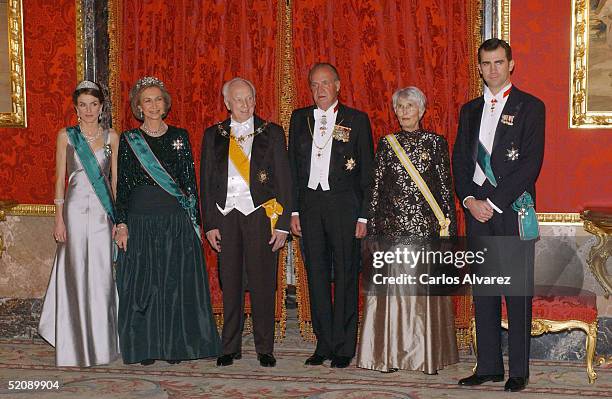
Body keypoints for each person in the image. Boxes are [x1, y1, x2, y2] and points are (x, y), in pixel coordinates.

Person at [453, 39, 545, 392]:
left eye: (498, 63)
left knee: (516, 293)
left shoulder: (531, 107)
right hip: (476, 210)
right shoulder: (469, 110)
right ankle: (488, 365)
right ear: (479, 67)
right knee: (485, 291)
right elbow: (460, 160)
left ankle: (518, 370)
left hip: (509, 209)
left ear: (511, 65)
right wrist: (469, 199)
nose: (492, 69)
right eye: (486, 63)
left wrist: (491, 202)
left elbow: (530, 165)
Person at [115, 76, 221, 365]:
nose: (152, 105)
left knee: (174, 285)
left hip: (174, 221)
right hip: (141, 221)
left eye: (157, 99)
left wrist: (194, 223)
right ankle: (146, 346)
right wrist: (121, 223)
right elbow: (122, 186)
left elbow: (189, 182)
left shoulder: (180, 136)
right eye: (146, 100)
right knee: (145, 286)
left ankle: (176, 346)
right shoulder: (128, 140)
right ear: (138, 106)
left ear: (165, 104)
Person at [356, 86, 458, 374]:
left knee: (421, 295)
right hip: (392, 231)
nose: (403, 112)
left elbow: (444, 189)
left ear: (422, 110)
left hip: (425, 230)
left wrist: (448, 233)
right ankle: (387, 355)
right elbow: (375, 190)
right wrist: (373, 232)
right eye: (399, 107)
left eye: (409, 106)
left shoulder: (436, 143)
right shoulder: (387, 144)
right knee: (392, 294)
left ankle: (426, 357)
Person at [201, 77, 291, 368]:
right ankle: (230, 346)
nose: (244, 104)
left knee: (264, 283)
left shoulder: (272, 133)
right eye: (238, 99)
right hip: (225, 216)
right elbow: (207, 182)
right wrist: (210, 223)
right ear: (227, 103)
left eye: (249, 98)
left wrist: (283, 225)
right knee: (231, 282)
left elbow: (285, 181)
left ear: (255, 100)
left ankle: (265, 347)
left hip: (261, 216)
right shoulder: (212, 134)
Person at [288, 63, 374, 368]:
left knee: (348, 276)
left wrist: (364, 216)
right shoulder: (299, 119)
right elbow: (292, 169)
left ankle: (343, 347)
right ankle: (323, 343)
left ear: (337, 85)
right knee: (318, 277)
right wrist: (293, 210)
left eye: (325, 83)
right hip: (310, 207)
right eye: (314, 84)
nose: (320, 89)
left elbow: (368, 173)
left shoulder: (357, 120)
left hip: (345, 208)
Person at [39, 80, 120, 367]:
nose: (88, 110)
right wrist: (58, 218)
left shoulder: (112, 137)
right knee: (74, 275)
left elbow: (115, 182)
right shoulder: (67, 136)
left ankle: (101, 344)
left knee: (101, 277)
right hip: (72, 212)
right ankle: (73, 345)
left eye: (93, 105)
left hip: (102, 213)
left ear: (101, 108)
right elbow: (59, 179)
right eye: (83, 105)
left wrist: (119, 220)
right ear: (76, 108)